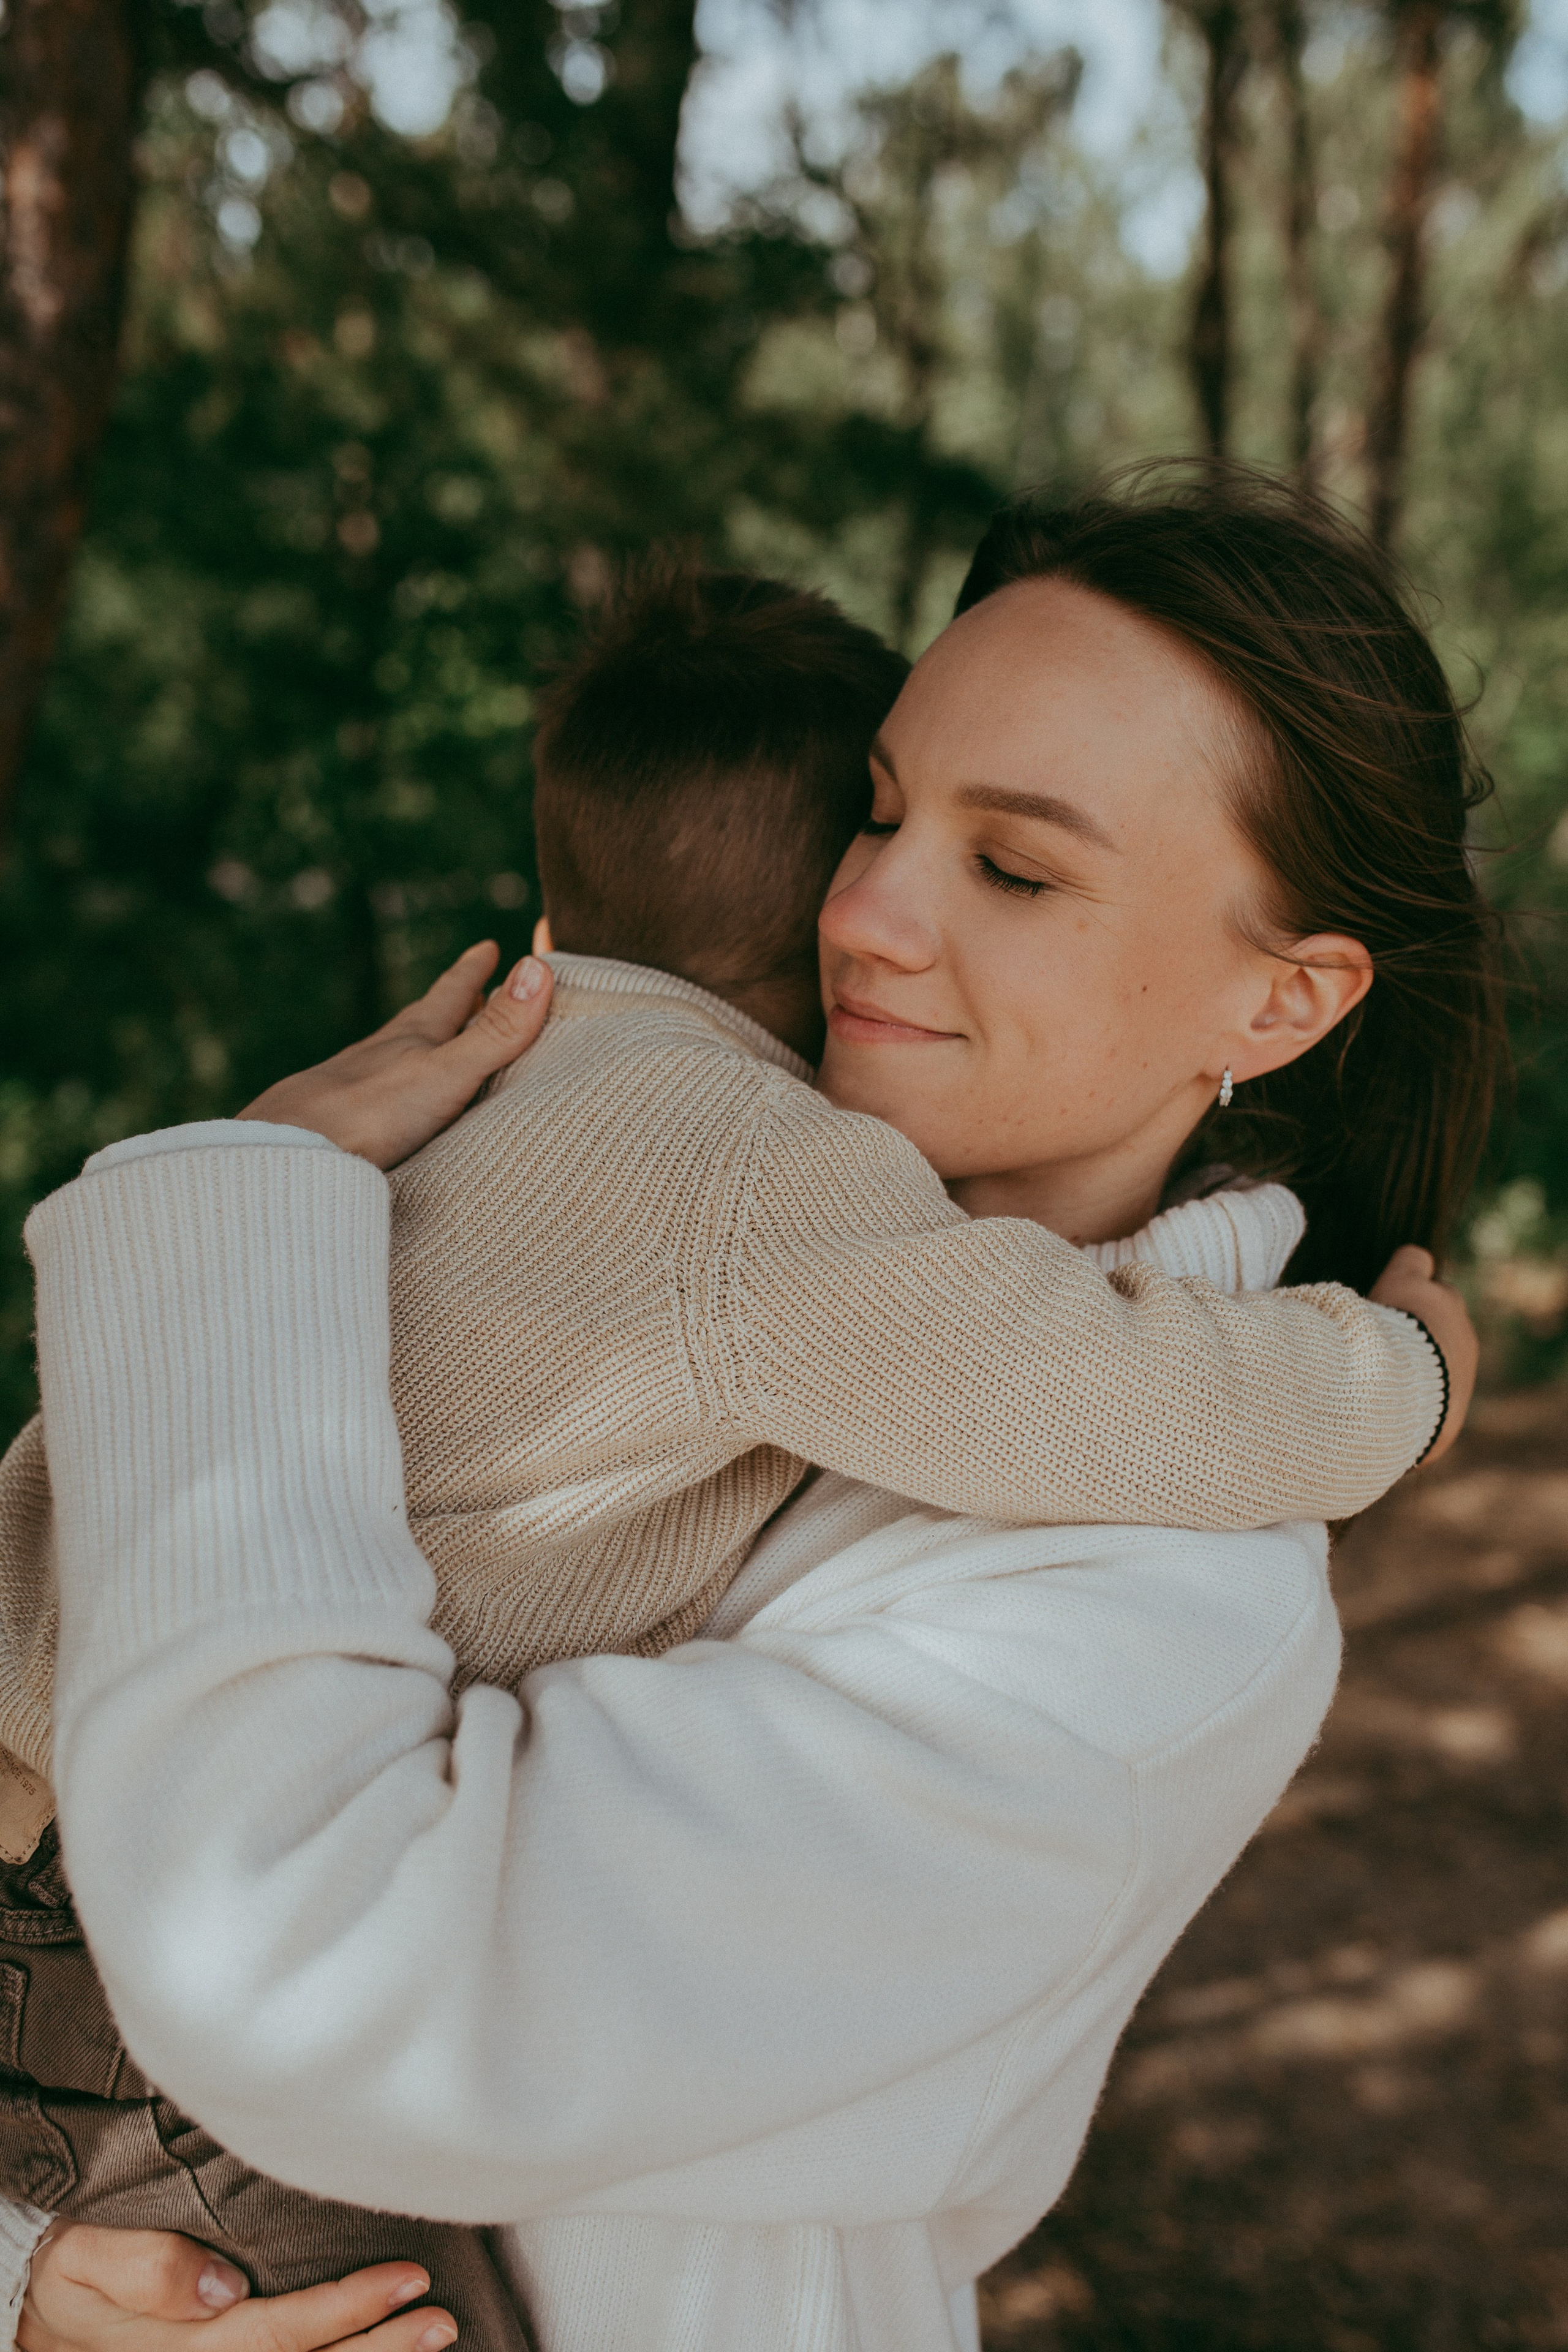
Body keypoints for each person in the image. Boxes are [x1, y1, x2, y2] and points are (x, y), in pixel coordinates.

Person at [9, 471, 1498, 2352]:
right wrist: (34, 2282)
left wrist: (235, 1220)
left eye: (1015, 869)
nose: (862, 909)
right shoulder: (630, 1209)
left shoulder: (1154, 1606)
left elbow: (306, 1975)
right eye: (872, 811)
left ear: (1283, 1001)